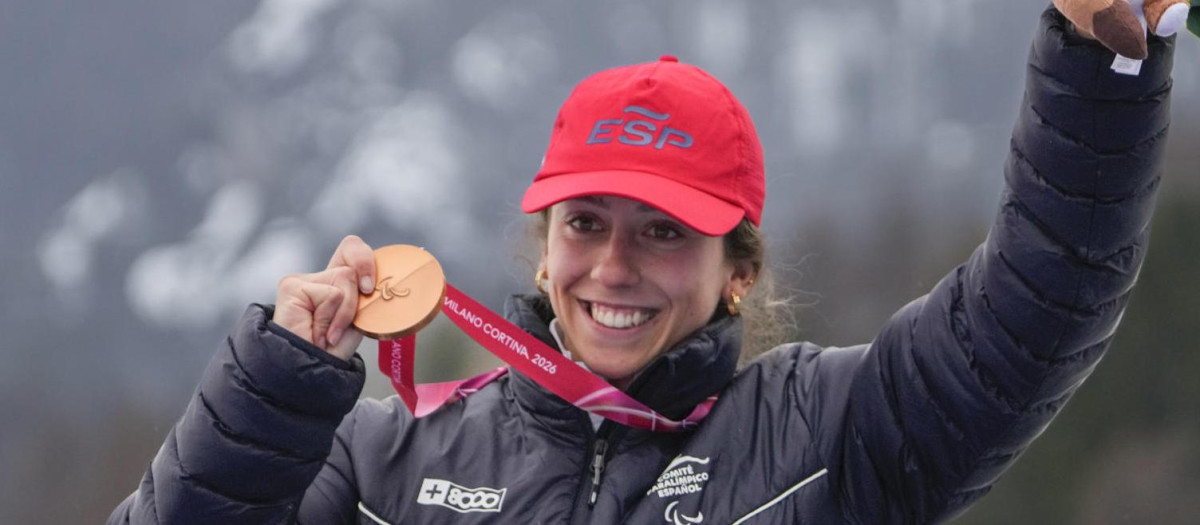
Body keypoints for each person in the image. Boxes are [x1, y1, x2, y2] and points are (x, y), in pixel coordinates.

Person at [109, 5, 1180, 524]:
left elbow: (1042, 302)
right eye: (587, 223)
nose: (613, 266)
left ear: (739, 272)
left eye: (665, 232)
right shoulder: (382, 461)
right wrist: (272, 391)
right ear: (545, 244)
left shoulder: (832, 436)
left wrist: (1105, 56)